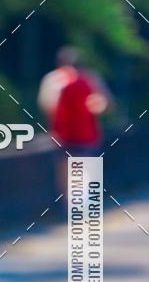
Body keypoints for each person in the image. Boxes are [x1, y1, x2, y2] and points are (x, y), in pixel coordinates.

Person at [38, 46, 113, 196]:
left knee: (65, 169)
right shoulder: (90, 78)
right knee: (85, 165)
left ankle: (70, 205)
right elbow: (106, 104)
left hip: (63, 134)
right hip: (86, 133)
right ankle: (84, 204)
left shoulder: (53, 79)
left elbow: (45, 105)